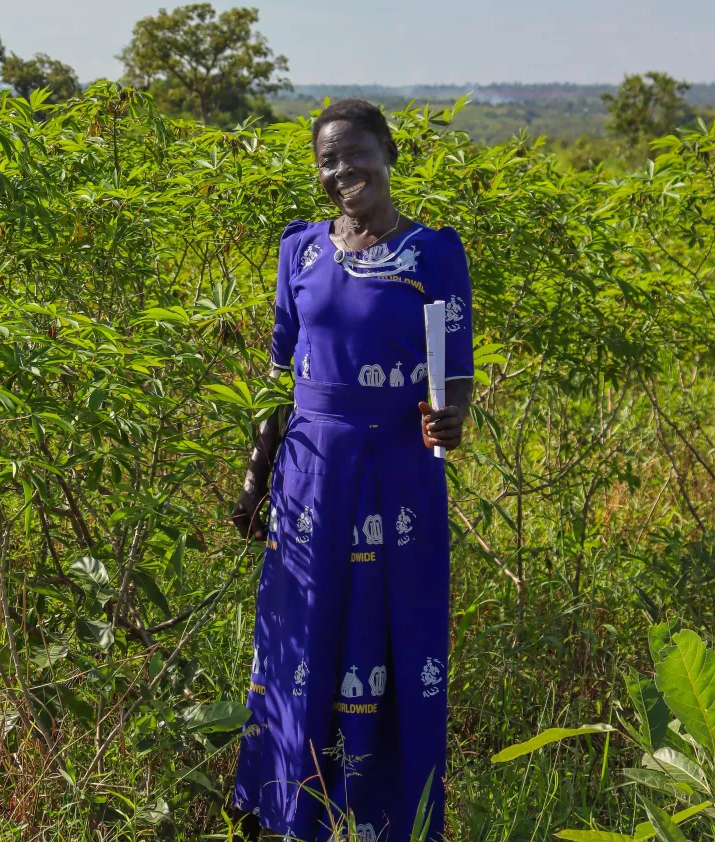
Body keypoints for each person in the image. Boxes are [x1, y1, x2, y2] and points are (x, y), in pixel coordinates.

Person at [230, 99, 473, 841]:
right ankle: (286, 806)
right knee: (300, 635)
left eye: (354, 152)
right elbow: (276, 379)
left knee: (387, 636)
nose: (342, 171)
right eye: (327, 161)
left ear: (388, 152)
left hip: (397, 476)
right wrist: (252, 479)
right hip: (308, 478)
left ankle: (382, 816)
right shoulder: (299, 251)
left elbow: (453, 374)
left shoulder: (433, 252)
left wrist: (451, 418)